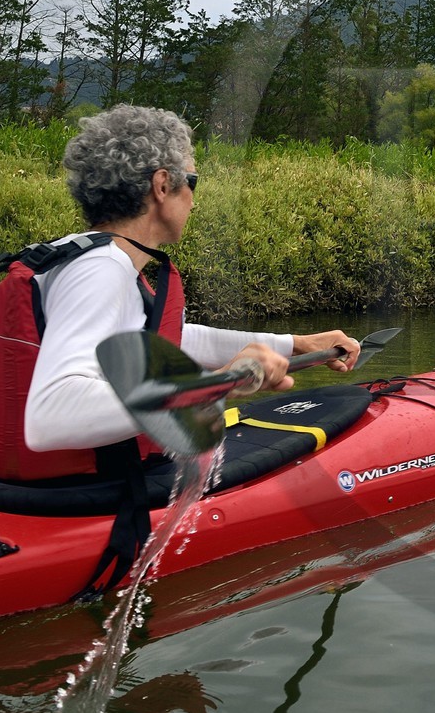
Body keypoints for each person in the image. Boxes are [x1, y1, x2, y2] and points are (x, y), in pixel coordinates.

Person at [22, 104, 360, 462]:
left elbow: (178, 339)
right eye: (192, 183)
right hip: (98, 495)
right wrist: (217, 383)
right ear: (162, 185)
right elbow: (50, 416)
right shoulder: (100, 270)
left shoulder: (82, 256)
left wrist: (295, 345)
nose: (194, 201)